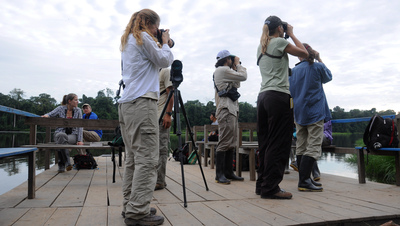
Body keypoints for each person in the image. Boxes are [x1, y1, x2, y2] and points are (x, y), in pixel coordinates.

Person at [118, 9, 173, 226]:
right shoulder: (143, 38)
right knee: (148, 159)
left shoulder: (129, 41)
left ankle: (131, 205)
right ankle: (137, 213)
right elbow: (165, 59)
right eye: (155, 28)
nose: (156, 32)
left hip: (127, 105)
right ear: (149, 24)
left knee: (133, 158)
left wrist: (159, 41)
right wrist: (165, 41)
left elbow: (154, 63)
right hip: (142, 104)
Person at [256, 15, 308, 199]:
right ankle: (270, 188)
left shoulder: (261, 46)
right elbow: (304, 54)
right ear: (279, 28)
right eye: (283, 28)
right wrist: (292, 33)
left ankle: (262, 184)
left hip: (263, 97)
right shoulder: (278, 42)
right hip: (278, 96)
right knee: (279, 143)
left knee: (266, 143)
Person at [289, 43, 332, 192]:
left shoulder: (293, 71)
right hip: (315, 111)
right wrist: (319, 58)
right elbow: (329, 77)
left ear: (298, 55)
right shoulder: (317, 67)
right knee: (313, 146)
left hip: (299, 113)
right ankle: (304, 181)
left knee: (301, 145)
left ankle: (304, 179)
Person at [214, 50, 247, 184]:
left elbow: (237, 84)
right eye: (231, 59)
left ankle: (228, 172)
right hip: (226, 109)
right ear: (227, 59)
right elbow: (243, 76)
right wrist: (238, 65)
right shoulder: (222, 70)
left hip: (231, 109)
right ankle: (219, 174)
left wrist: (234, 68)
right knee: (224, 142)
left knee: (231, 142)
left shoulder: (226, 71)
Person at [42, 93, 83, 173]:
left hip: (72, 136)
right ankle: (67, 162)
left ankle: (61, 164)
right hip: (59, 134)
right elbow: (50, 114)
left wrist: (79, 140)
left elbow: (80, 126)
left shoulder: (78, 111)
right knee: (61, 136)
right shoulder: (60, 108)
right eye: (75, 100)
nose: (77, 102)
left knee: (61, 141)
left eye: (77, 100)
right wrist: (46, 116)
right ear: (69, 101)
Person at [155, 68, 174, 191]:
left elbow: (170, 93)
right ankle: (156, 178)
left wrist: (168, 114)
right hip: (152, 116)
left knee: (161, 149)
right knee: (153, 149)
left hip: (161, 116)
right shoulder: (153, 72)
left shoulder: (165, 71)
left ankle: (159, 181)